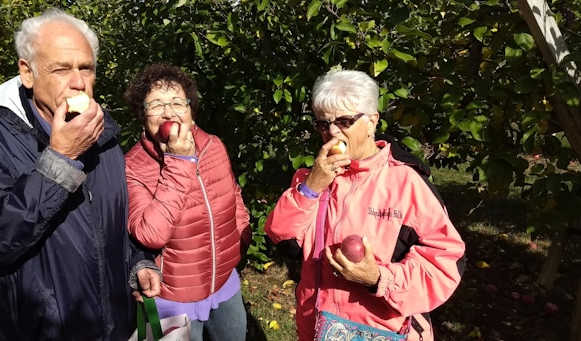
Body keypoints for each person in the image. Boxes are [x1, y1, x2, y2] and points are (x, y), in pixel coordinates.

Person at [0, 8, 161, 340]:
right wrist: (60, 159)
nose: (77, 82)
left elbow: (115, 220)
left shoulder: (104, 136)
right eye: (61, 69)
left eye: (86, 68)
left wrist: (137, 262)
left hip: (114, 328)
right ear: (27, 73)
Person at [264, 69, 466, 341]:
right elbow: (284, 240)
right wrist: (312, 187)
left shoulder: (405, 184)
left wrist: (378, 278)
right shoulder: (311, 179)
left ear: (372, 122)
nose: (332, 132)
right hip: (318, 328)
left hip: (380, 331)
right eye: (323, 124)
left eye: (344, 121)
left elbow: (445, 264)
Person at [123, 62, 252, 341]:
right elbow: (150, 234)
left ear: (191, 111)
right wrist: (179, 162)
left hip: (224, 283)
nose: (168, 111)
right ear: (142, 115)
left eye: (177, 102)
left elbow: (233, 194)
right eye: (155, 104)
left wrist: (240, 238)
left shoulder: (212, 146)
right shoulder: (133, 166)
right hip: (172, 297)